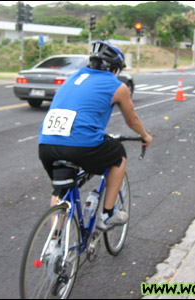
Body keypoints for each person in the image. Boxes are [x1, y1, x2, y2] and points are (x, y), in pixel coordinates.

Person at [38, 41, 152, 230]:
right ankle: (107, 215)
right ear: (115, 69)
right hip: (81, 144)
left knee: (61, 188)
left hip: (46, 144)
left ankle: (55, 245)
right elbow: (132, 120)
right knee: (118, 154)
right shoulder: (118, 86)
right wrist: (145, 136)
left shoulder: (72, 78)